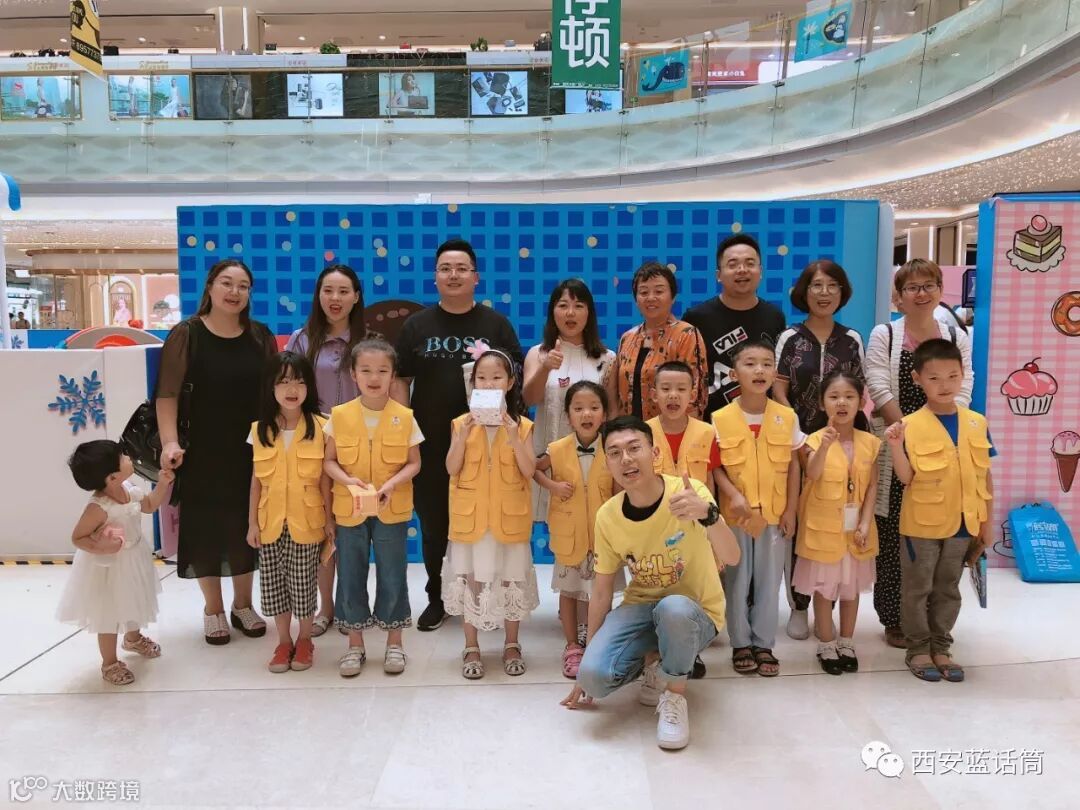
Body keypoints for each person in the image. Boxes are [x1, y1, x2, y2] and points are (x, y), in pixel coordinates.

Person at [561, 416, 740, 751]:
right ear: (607, 463)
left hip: (694, 612)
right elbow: (601, 592)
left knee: (674, 609)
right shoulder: (608, 516)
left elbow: (732, 556)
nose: (626, 459)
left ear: (654, 452)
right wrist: (587, 663)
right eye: (615, 453)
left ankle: (674, 695)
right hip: (642, 607)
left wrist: (708, 514)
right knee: (594, 678)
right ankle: (655, 659)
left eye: (634, 448)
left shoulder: (688, 493)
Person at [392, 239, 522, 632]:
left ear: (475, 277)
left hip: (488, 447)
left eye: (462, 268)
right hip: (433, 444)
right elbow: (400, 381)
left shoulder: (496, 325)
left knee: (485, 525)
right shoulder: (417, 326)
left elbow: (513, 379)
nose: (453, 275)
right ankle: (439, 598)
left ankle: (487, 598)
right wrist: (404, 434)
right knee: (435, 526)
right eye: (445, 268)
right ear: (435, 277)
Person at [157, 259, 277, 645]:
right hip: (201, 449)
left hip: (250, 449)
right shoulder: (187, 334)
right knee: (205, 527)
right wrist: (170, 441)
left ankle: (243, 604)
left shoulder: (260, 336)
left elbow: (273, 392)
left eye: (243, 285)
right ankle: (213, 609)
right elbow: (167, 395)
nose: (234, 292)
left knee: (246, 524)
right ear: (210, 287)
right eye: (226, 283)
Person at [865, 258, 973, 649]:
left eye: (929, 285)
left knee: (939, 535)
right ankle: (895, 618)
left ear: (940, 290)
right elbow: (878, 385)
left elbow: (963, 385)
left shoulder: (956, 335)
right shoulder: (885, 334)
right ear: (899, 296)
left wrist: (939, 435)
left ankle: (934, 619)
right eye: (912, 287)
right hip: (897, 444)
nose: (921, 293)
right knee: (895, 534)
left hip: (945, 448)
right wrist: (911, 436)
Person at [885, 339, 993, 683]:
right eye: (934, 378)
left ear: (963, 376)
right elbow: (906, 477)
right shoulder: (909, 425)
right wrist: (895, 446)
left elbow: (985, 476)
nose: (944, 385)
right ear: (917, 379)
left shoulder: (977, 422)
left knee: (948, 587)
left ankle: (942, 647)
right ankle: (918, 648)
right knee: (917, 588)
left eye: (952, 376)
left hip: (964, 522)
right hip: (921, 524)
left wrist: (987, 523)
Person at [774, 259, 865, 640]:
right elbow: (778, 387)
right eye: (816, 285)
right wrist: (796, 431)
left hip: (844, 445)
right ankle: (799, 605)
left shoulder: (852, 339)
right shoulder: (790, 337)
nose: (824, 293)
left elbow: (859, 392)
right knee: (801, 522)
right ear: (804, 291)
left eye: (832, 285)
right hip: (801, 443)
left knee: (838, 518)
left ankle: (835, 597)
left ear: (842, 292)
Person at [323, 340, 423, 677]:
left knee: (393, 572)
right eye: (365, 370)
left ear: (393, 375)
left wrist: (392, 483)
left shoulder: (405, 417)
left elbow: (414, 463)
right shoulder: (339, 415)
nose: (374, 377)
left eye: (382, 370)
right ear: (353, 374)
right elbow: (329, 461)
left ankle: (394, 642)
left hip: (391, 509)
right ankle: (355, 644)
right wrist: (348, 481)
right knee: (350, 573)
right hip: (349, 510)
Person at [286, 263, 375, 637]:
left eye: (343, 291)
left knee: (356, 530)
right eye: (328, 291)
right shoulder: (301, 341)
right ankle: (327, 607)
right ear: (318, 295)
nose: (335, 298)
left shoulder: (370, 342)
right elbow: (286, 390)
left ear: (356, 297)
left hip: (359, 448)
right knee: (323, 529)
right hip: (312, 445)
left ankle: (355, 605)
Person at [712, 340, 805, 677]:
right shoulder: (720, 418)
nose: (759, 370)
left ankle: (764, 643)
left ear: (775, 373)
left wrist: (791, 509)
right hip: (736, 517)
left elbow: (794, 466)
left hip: (774, 515)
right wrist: (731, 495)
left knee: (769, 579)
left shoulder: (787, 416)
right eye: (750, 363)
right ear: (734, 374)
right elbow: (715, 467)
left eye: (767, 364)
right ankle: (740, 642)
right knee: (737, 579)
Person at [444, 347, 537, 679]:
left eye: (496, 377)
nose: (488, 383)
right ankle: (471, 646)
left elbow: (529, 471)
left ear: (510, 382)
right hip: (470, 520)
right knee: (471, 580)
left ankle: (512, 644)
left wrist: (513, 437)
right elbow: (451, 467)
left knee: (512, 580)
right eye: (481, 378)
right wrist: (462, 438)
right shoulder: (460, 424)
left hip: (509, 518)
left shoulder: (522, 426)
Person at [57, 441, 174, 685]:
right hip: (109, 567)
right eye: (123, 456)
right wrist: (102, 547)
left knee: (134, 598)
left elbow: (149, 505)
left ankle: (133, 638)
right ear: (112, 477)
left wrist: (163, 484)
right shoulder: (98, 507)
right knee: (108, 612)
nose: (128, 457)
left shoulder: (128, 488)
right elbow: (78, 537)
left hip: (134, 558)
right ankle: (109, 662)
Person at [246, 352, 332, 674]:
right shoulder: (259, 430)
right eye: (283, 382)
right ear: (271, 387)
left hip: (307, 521)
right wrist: (252, 523)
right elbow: (256, 482)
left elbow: (325, 481)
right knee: (273, 586)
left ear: (309, 386)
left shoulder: (322, 426)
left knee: (303, 583)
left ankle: (305, 639)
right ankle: (283, 641)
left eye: (298, 381)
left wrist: (330, 521)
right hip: (269, 522)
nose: (291, 389)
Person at [793, 371, 880, 675]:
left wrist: (866, 523)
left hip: (856, 532)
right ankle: (826, 643)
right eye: (834, 396)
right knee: (824, 589)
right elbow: (813, 474)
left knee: (851, 589)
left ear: (861, 402)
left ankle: (847, 641)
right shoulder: (812, 441)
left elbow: (872, 487)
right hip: (823, 530)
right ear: (821, 403)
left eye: (849, 397)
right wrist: (826, 446)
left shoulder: (871, 443)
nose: (841, 402)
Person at [533, 380, 616, 678]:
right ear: (568, 416)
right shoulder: (557, 449)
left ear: (604, 414)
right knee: (568, 591)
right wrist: (553, 486)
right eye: (578, 408)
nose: (586, 414)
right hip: (568, 535)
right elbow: (534, 469)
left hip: (603, 537)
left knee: (601, 591)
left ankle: (596, 643)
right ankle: (571, 646)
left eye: (594, 407)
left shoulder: (613, 447)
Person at [523, 279, 614, 517]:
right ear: (552, 312)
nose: (570, 313)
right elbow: (529, 399)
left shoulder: (607, 358)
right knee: (555, 525)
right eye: (563, 305)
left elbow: (612, 413)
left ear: (589, 313)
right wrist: (545, 368)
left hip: (592, 457)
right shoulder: (537, 353)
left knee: (592, 520)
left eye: (579, 306)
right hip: (546, 458)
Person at [683, 233, 787, 420]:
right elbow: (687, 376)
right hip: (711, 425)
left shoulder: (775, 317)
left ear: (761, 271)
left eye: (750, 263)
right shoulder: (696, 318)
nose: (742, 270)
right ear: (718, 275)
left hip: (765, 423)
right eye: (733, 265)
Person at [607, 262, 707, 420]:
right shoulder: (627, 338)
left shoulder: (686, 334)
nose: (651, 298)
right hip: (631, 430)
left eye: (659, 291)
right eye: (644, 292)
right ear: (636, 299)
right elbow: (617, 396)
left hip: (671, 429)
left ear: (673, 297)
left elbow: (695, 395)